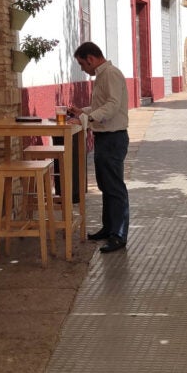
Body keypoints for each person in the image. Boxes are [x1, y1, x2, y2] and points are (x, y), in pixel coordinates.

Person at [66, 42, 130, 253]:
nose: (83, 69)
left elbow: (112, 106)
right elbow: (100, 106)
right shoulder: (102, 76)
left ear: (91, 59)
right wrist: (82, 112)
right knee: (106, 186)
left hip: (113, 137)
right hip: (104, 137)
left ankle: (118, 234)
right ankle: (109, 228)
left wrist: (87, 118)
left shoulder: (111, 74)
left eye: (82, 64)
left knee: (114, 187)